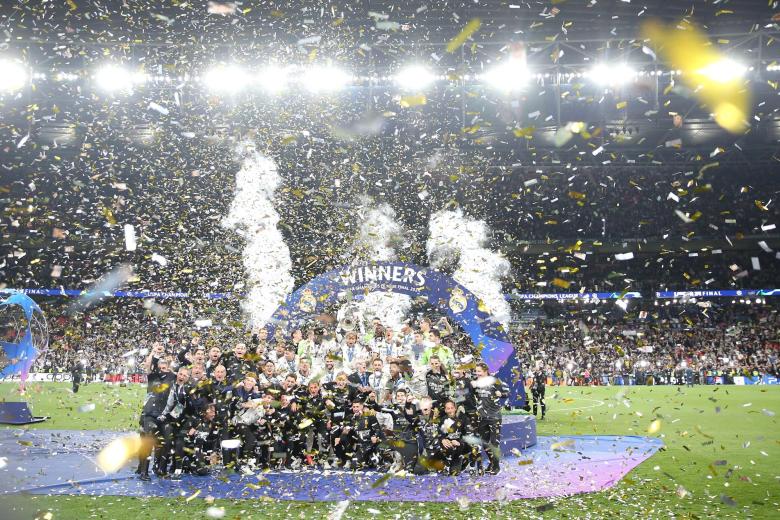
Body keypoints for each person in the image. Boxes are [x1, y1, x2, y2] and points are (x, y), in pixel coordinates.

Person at [472, 362, 509, 474]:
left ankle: (496, 467)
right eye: (476, 371)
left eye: (479, 371)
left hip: (494, 416)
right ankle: (492, 462)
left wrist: (501, 394)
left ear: (485, 371)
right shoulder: (476, 382)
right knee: (484, 443)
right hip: (482, 417)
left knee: (494, 443)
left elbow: (507, 392)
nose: (477, 373)